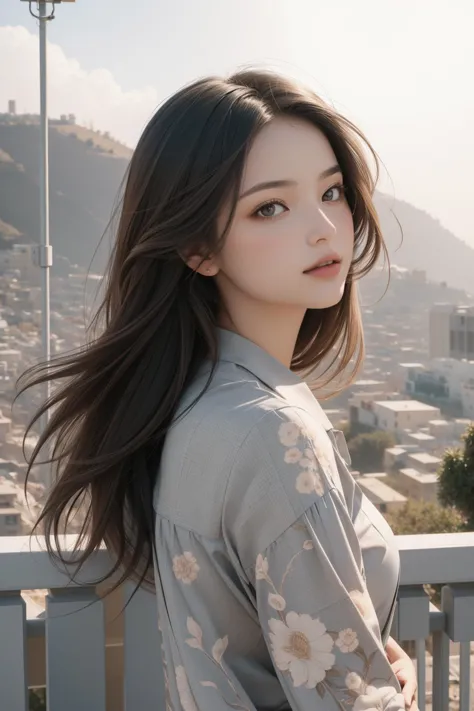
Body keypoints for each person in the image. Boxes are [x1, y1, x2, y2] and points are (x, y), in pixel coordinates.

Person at [19, 69, 418, 710]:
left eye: (333, 191)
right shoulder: (270, 431)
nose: (323, 228)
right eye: (270, 207)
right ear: (199, 248)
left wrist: (369, 657)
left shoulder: (199, 406)